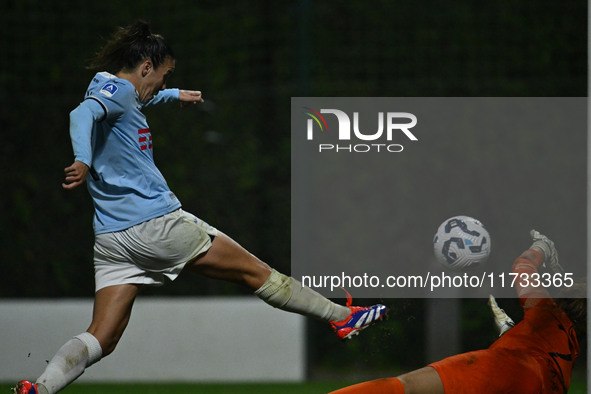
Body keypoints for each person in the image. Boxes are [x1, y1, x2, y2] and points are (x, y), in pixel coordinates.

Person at [13, 21, 386, 394]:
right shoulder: (120, 90)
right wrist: (82, 159)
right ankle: (342, 316)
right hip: (156, 223)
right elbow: (81, 115)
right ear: (146, 67)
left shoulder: (112, 88)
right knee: (256, 272)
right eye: (164, 75)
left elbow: (132, 101)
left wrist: (173, 94)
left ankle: (40, 389)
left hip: (112, 238)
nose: (161, 83)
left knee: (103, 337)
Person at [329, 230, 585, 394]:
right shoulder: (569, 355)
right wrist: (512, 334)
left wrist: (542, 245)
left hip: (506, 367)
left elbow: (523, 266)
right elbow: (542, 361)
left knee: (406, 387)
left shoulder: (547, 310)